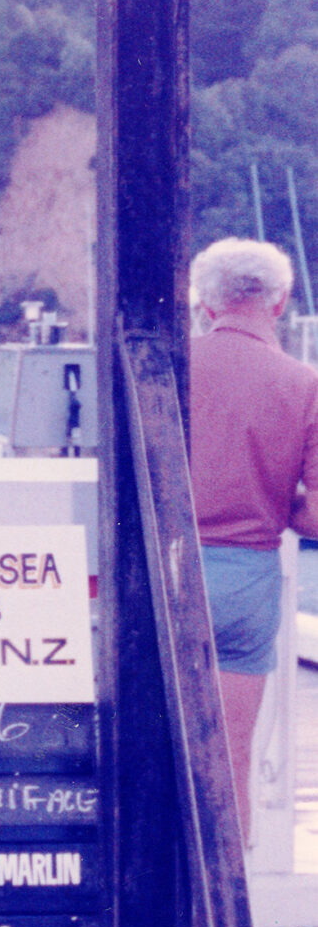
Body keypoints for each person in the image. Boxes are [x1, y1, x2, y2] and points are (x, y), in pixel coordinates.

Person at [189, 236, 318, 841]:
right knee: (231, 757)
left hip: (166, 572)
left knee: (148, 752)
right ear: (280, 301)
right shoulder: (303, 382)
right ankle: (227, 890)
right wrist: (274, 500)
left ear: (206, 304)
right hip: (247, 578)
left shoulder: (172, 366)